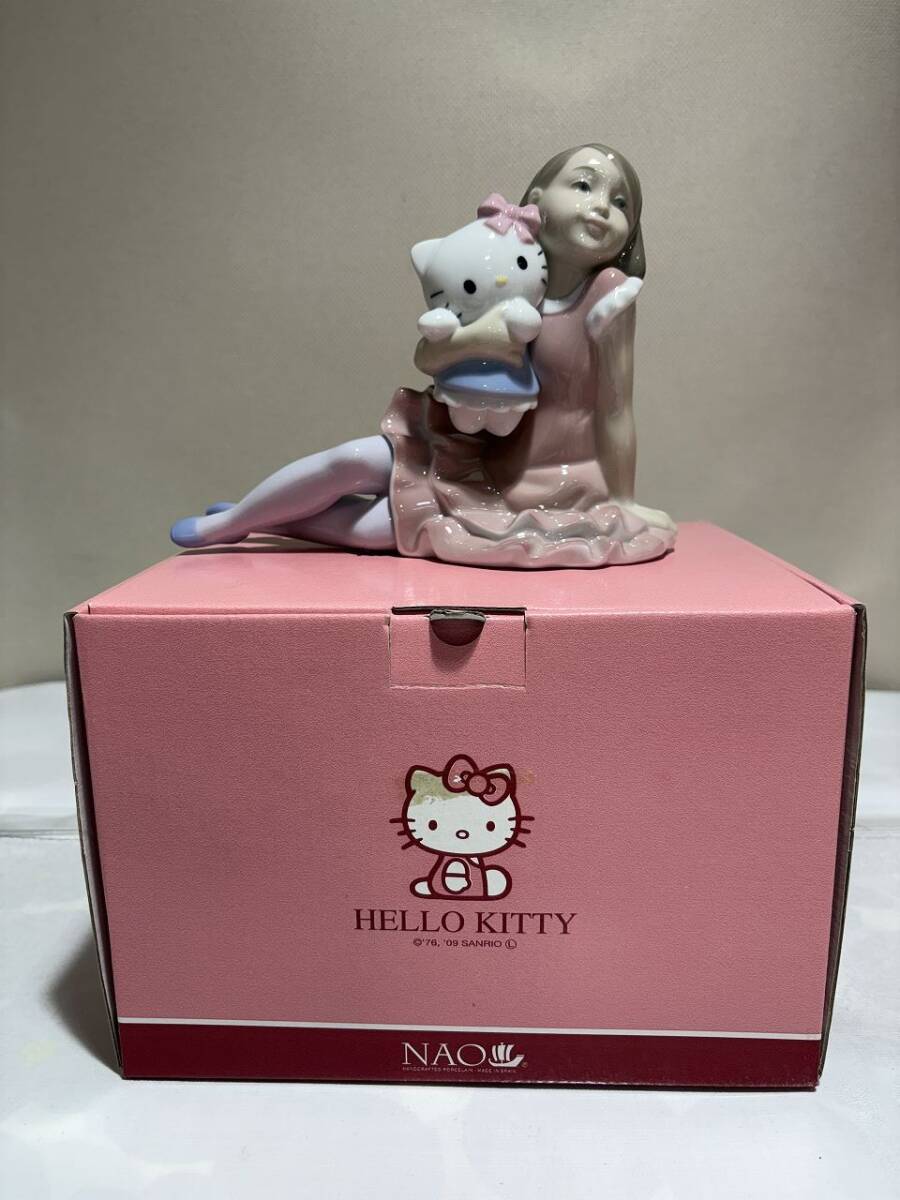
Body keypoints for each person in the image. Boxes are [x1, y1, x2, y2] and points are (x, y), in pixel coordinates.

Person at [170, 143, 675, 568]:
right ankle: (235, 520)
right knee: (350, 460)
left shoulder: (609, 294)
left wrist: (622, 498)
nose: (601, 206)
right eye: (583, 185)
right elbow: (429, 359)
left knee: (379, 529)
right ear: (537, 201)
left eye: (621, 202)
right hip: (465, 439)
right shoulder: (508, 271)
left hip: (546, 479)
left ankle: (260, 520)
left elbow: (615, 407)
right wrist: (470, 336)